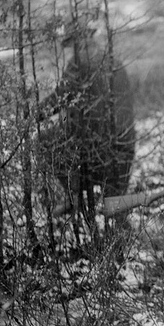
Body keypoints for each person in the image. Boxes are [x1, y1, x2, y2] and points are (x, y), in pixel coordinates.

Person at [38, 17, 136, 225]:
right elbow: (68, 107)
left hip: (95, 148)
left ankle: (74, 198)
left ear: (77, 40)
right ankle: (122, 241)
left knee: (44, 140)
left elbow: (61, 99)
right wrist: (64, 119)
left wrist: (32, 116)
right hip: (125, 145)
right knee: (116, 209)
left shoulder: (79, 62)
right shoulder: (113, 61)